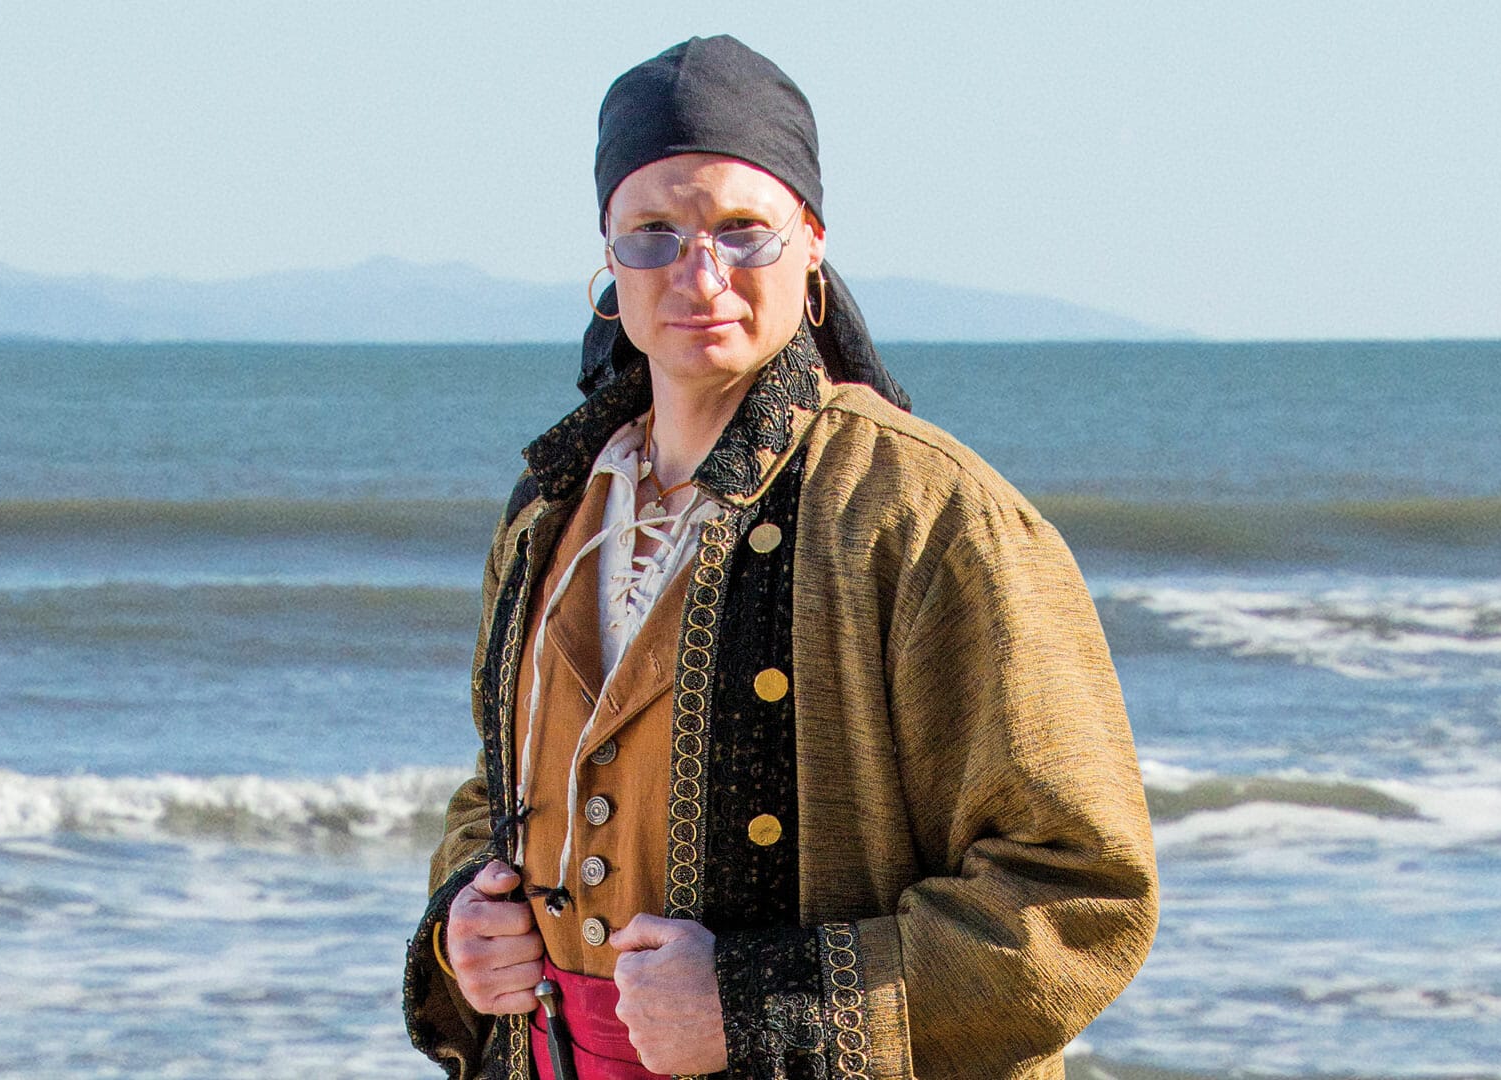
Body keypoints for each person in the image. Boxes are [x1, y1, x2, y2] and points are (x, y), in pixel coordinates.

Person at [404, 35, 1157, 1080]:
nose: (697, 274)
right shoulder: (550, 508)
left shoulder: (929, 509)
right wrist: (466, 929)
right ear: (607, 268)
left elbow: (1080, 891)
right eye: (653, 235)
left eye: (742, 231)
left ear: (811, 248)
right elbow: (500, 788)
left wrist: (756, 1008)